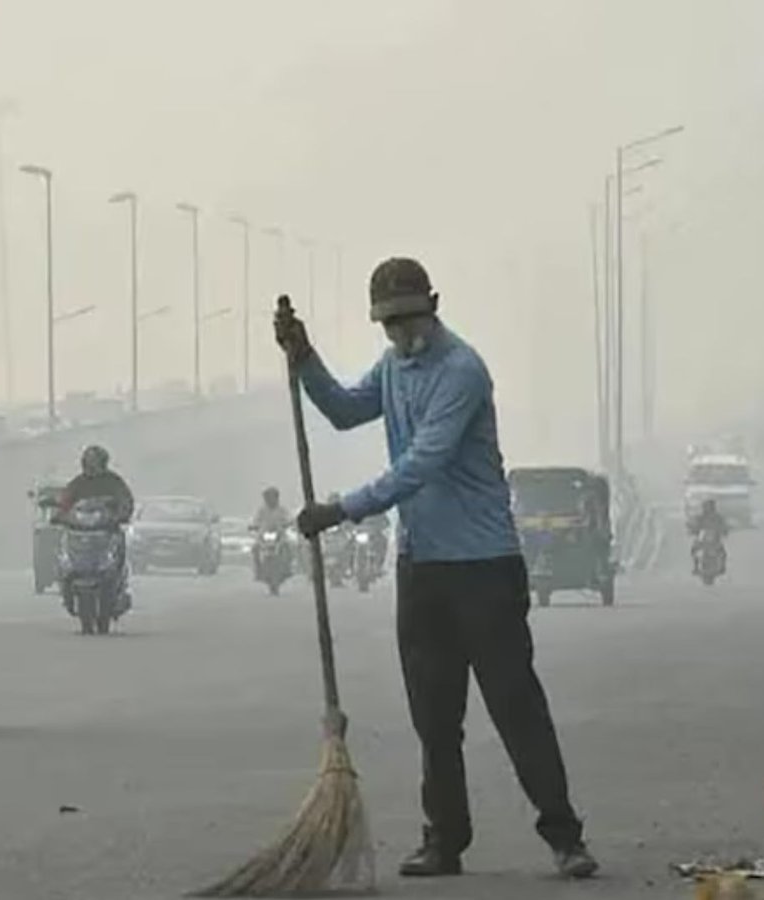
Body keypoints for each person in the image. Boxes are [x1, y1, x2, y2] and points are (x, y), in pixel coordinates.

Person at [278, 257, 597, 880]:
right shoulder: (394, 368)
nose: (400, 335)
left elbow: (422, 462)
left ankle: (564, 835)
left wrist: (341, 509)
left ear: (434, 305)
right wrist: (305, 358)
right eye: (388, 324)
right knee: (435, 716)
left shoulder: (461, 371)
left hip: (483, 567)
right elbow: (344, 410)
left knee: (514, 704)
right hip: (421, 566)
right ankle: (444, 841)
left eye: (408, 320)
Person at [58, 445, 136, 605]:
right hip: (80, 531)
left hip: (107, 529)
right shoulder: (78, 483)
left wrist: (122, 513)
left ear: (103, 463)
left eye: (94, 462)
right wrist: (60, 513)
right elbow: (65, 500)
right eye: (88, 462)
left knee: (119, 545)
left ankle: (119, 584)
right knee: (64, 546)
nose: (91, 466)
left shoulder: (113, 481)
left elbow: (125, 499)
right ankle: (67, 583)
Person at [250, 486, 293, 578]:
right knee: (255, 548)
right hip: (263, 536)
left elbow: (288, 519)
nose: (271, 500)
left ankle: (288, 569)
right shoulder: (262, 510)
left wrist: (288, 524)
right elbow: (256, 520)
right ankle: (258, 570)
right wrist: (253, 526)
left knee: (288, 548)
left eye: (273, 497)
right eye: (268, 498)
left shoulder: (282, 510)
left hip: (280, 536)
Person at [687, 498, 728, 574]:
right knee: (694, 550)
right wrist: (692, 530)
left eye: (710, 507)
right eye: (706, 507)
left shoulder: (718, 517)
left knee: (723, 552)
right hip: (702, 539)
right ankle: (695, 566)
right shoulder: (700, 517)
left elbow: (724, 526)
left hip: (715, 540)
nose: (708, 509)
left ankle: (723, 566)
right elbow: (694, 526)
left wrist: (724, 531)